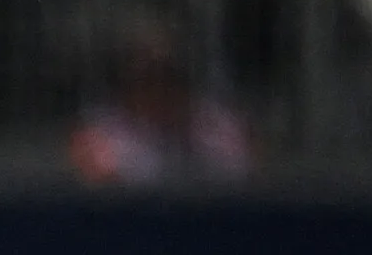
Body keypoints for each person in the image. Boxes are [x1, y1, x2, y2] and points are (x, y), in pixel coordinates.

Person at [69, 9, 248, 180]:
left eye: (168, 74)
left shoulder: (217, 128)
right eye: (147, 76)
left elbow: (247, 179)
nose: (159, 88)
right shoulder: (99, 137)